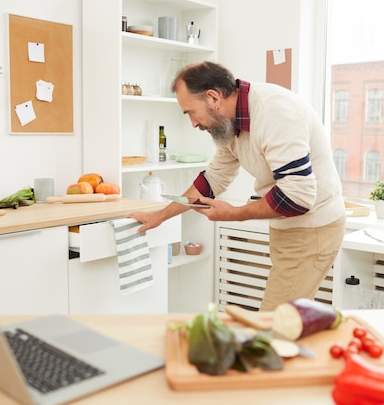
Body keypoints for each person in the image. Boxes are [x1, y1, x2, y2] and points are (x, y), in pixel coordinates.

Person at [127, 61, 345, 311]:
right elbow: (212, 179)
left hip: (314, 227)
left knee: (272, 324)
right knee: (287, 322)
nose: (193, 124)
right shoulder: (230, 124)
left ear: (213, 97)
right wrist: (160, 216)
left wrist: (234, 214)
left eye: (190, 112)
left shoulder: (275, 113)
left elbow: (297, 197)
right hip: (290, 226)